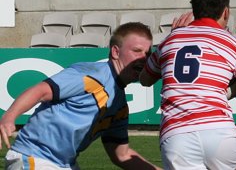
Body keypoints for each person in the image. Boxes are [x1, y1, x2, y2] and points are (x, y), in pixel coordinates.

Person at [140, 0, 236, 170]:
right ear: (226, 12)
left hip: (175, 135)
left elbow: (144, 79)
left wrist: (173, 36)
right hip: (219, 131)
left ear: (194, 10)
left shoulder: (169, 41)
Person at [0, 22, 161, 170]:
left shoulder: (119, 105)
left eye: (147, 54)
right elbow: (41, 91)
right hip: (35, 156)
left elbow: (122, 155)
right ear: (115, 52)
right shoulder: (92, 74)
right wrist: (9, 117)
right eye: (137, 51)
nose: (143, 59)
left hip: (63, 164)